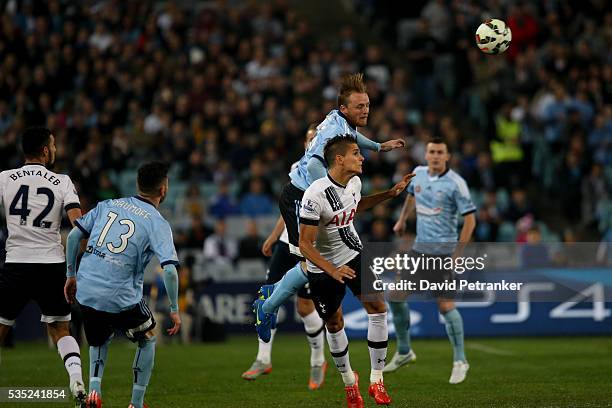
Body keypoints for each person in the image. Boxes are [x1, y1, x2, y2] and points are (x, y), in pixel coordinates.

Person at [253, 72, 405, 344]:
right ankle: (266, 306)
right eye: (360, 106)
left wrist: (380, 147)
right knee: (309, 259)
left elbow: (355, 137)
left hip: (305, 194)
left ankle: (268, 301)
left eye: (367, 105)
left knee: (309, 261)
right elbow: (313, 163)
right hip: (299, 195)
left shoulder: (342, 120)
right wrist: (325, 191)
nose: (366, 110)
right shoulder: (334, 131)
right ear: (345, 108)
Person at [298, 135, 413, 407]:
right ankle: (350, 383)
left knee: (378, 307)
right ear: (339, 159)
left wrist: (389, 194)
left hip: (354, 255)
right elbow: (305, 244)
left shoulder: (354, 182)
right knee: (335, 323)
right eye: (355, 153)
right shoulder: (314, 195)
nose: (361, 158)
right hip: (323, 267)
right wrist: (331, 270)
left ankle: (377, 381)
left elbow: (355, 207)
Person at [64, 161, 181, 408]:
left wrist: (70, 275)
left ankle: (93, 394)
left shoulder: (109, 204)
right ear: (163, 189)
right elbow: (169, 270)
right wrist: (174, 308)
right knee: (147, 336)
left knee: (98, 339)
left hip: (86, 288)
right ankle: (136, 403)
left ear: (138, 184)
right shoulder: (157, 222)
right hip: (120, 294)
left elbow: (75, 235)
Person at [0, 127, 87, 406]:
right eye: (54, 145)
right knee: (61, 330)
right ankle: (76, 378)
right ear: (45, 150)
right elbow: (77, 222)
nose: (56, 150)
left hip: (16, 263)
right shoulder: (62, 181)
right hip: (52, 264)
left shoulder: (4, 179)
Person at [243, 125, 329, 390]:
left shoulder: (331, 174)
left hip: (310, 246)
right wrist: (272, 236)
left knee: (305, 308)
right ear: (305, 142)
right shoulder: (298, 166)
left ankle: (317, 361)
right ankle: (262, 359)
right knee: (268, 295)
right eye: (309, 138)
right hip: (286, 243)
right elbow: (289, 207)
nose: (312, 142)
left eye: (317, 139)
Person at [389, 137, 477, 384]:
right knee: (395, 297)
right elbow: (411, 195)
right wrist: (402, 219)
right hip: (419, 251)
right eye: (432, 152)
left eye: (440, 152)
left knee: (446, 306)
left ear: (447, 156)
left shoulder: (456, 184)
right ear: (426, 155)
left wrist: (457, 255)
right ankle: (405, 352)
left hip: (443, 254)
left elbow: (470, 220)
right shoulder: (417, 174)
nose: (436, 156)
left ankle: (460, 360)